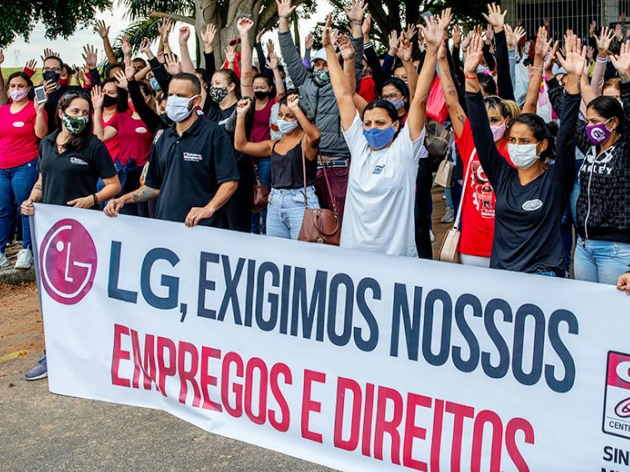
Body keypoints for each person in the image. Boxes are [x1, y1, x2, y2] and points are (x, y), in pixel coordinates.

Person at [464, 32, 584, 276]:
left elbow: (568, 133)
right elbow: (480, 132)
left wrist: (573, 80)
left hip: (543, 277)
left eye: (525, 140)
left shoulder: (556, 179)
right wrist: (469, 76)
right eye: (514, 140)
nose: (517, 145)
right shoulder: (502, 175)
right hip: (503, 276)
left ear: (541, 146)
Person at [20, 92, 121, 380]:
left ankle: (90, 351)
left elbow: (113, 185)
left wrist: (92, 199)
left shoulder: (94, 146)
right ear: (61, 112)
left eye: (86, 111)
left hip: (82, 231)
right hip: (51, 232)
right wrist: (32, 199)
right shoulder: (47, 143)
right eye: (75, 110)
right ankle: (53, 354)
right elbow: (42, 181)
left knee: (82, 294)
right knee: (52, 296)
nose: (80, 116)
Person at [324, 12, 438, 257]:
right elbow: (343, 96)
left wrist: (433, 49)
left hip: (396, 260)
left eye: (380, 122)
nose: (372, 128)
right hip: (354, 258)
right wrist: (329, 52)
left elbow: (419, 99)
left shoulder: (405, 151)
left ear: (396, 126)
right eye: (367, 124)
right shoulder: (358, 146)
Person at [104, 73, 239, 228]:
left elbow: (230, 182)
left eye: (180, 95)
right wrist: (122, 200)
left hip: (201, 228)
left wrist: (209, 208)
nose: (174, 100)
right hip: (166, 227)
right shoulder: (164, 138)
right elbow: (153, 186)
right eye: (171, 95)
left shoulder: (214, 134)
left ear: (196, 100)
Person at [276, 0, 365, 223]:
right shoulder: (304, 83)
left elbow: (353, 61)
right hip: (309, 165)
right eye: (317, 65)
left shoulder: (342, 86)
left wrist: (356, 24)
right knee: (314, 224)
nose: (321, 69)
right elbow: (289, 56)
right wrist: (284, 20)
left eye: (326, 65)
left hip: (338, 163)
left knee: (340, 219)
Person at [572, 40, 630, 285]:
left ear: (614, 122)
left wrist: (626, 78)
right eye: (588, 121)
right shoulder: (590, 148)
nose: (590, 127)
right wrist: (570, 78)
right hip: (584, 247)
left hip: (615, 250)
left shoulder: (625, 151)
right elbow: (566, 114)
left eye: (596, 121)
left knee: (615, 318)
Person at [235, 93, 320, 239]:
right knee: (277, 253)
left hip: (300, 202)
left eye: (289, 116)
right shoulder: (273, 144)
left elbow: (315, 136)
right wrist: (241, 115)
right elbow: (241, 145)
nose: (283, 120)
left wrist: (296, 109)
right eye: (280, 115)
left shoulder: (305, 141)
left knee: (304, 254)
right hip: (274, 202)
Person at [0, 72, 48, 269]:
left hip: (25, 165)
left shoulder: (34, 108)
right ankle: (1, 252)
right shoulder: (3, 110)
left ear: (29, 88)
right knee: (3, 209)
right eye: (13, 86)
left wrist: (38, 112)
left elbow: (41, 134)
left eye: (21, 86)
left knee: (26, 208)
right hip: (2, 167)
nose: (16, 90)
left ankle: (27, 249)